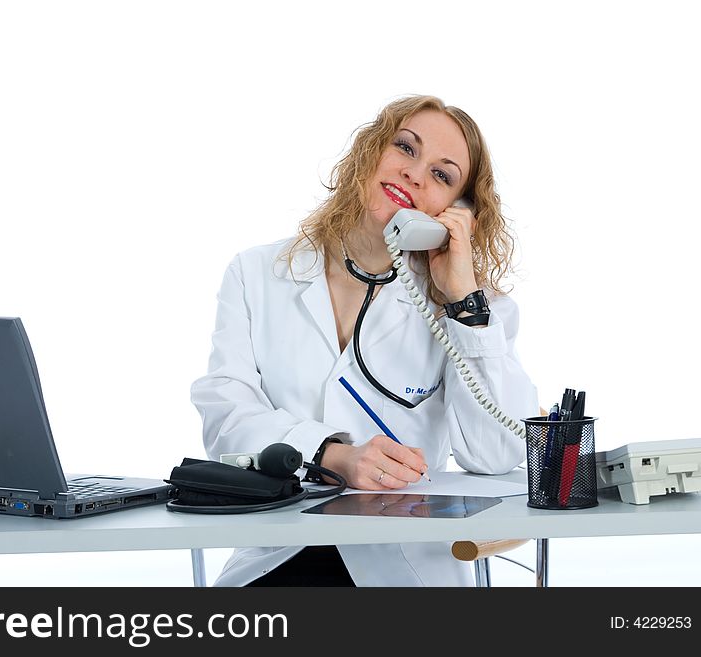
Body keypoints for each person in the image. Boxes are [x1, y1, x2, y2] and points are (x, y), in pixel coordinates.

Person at [190, 95, 540, 587]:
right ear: (371, 151)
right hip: (278, 556)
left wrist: (462, 301)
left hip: (402, 563)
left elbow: (499, 454)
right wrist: (331, 456)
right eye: (405, 147)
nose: (416, 175)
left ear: (456, 212)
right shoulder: (256, 274)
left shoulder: (473, 309)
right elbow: (226, 417)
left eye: (443, 175)